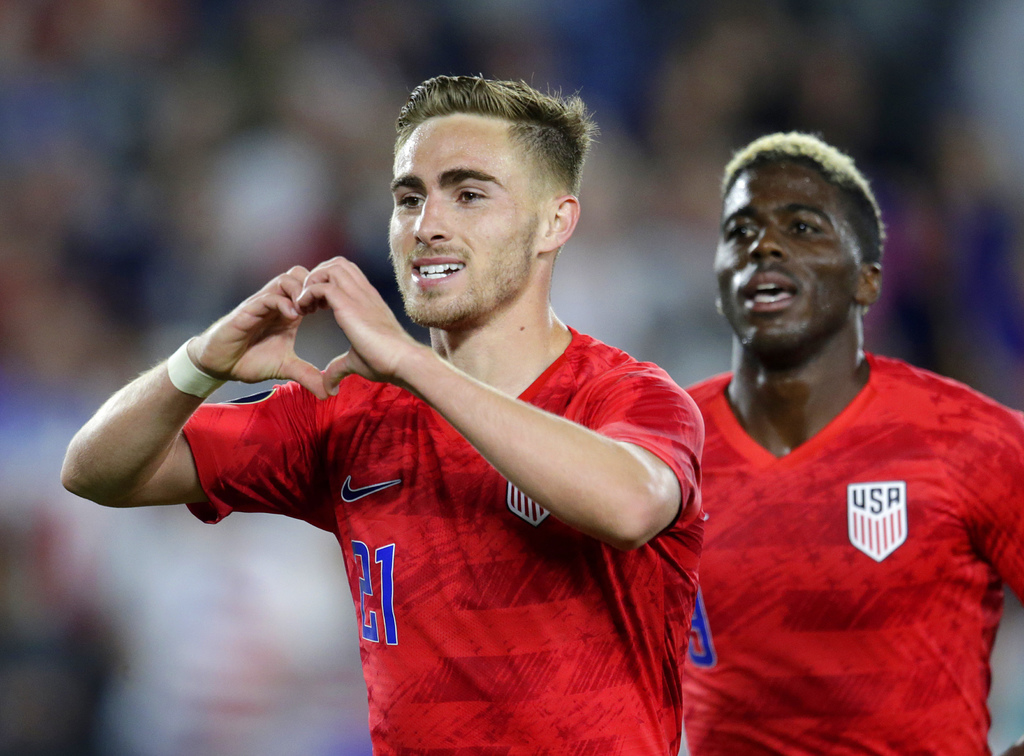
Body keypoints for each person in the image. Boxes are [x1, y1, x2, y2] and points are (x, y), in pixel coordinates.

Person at [61, 75, 705, 755]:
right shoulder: (345, 413)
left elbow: (631, 505)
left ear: (555, 222)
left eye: (469, 194)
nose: (427, 226)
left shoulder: (631, 397)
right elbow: (96, 471)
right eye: (409, 198)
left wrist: (414, 366)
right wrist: (198, 363)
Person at [680, 131, 1024, 755]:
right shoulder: (663, 445)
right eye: (740, 231)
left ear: (867, 281)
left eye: (802, 227)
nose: (764, 245)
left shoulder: (974, 440)